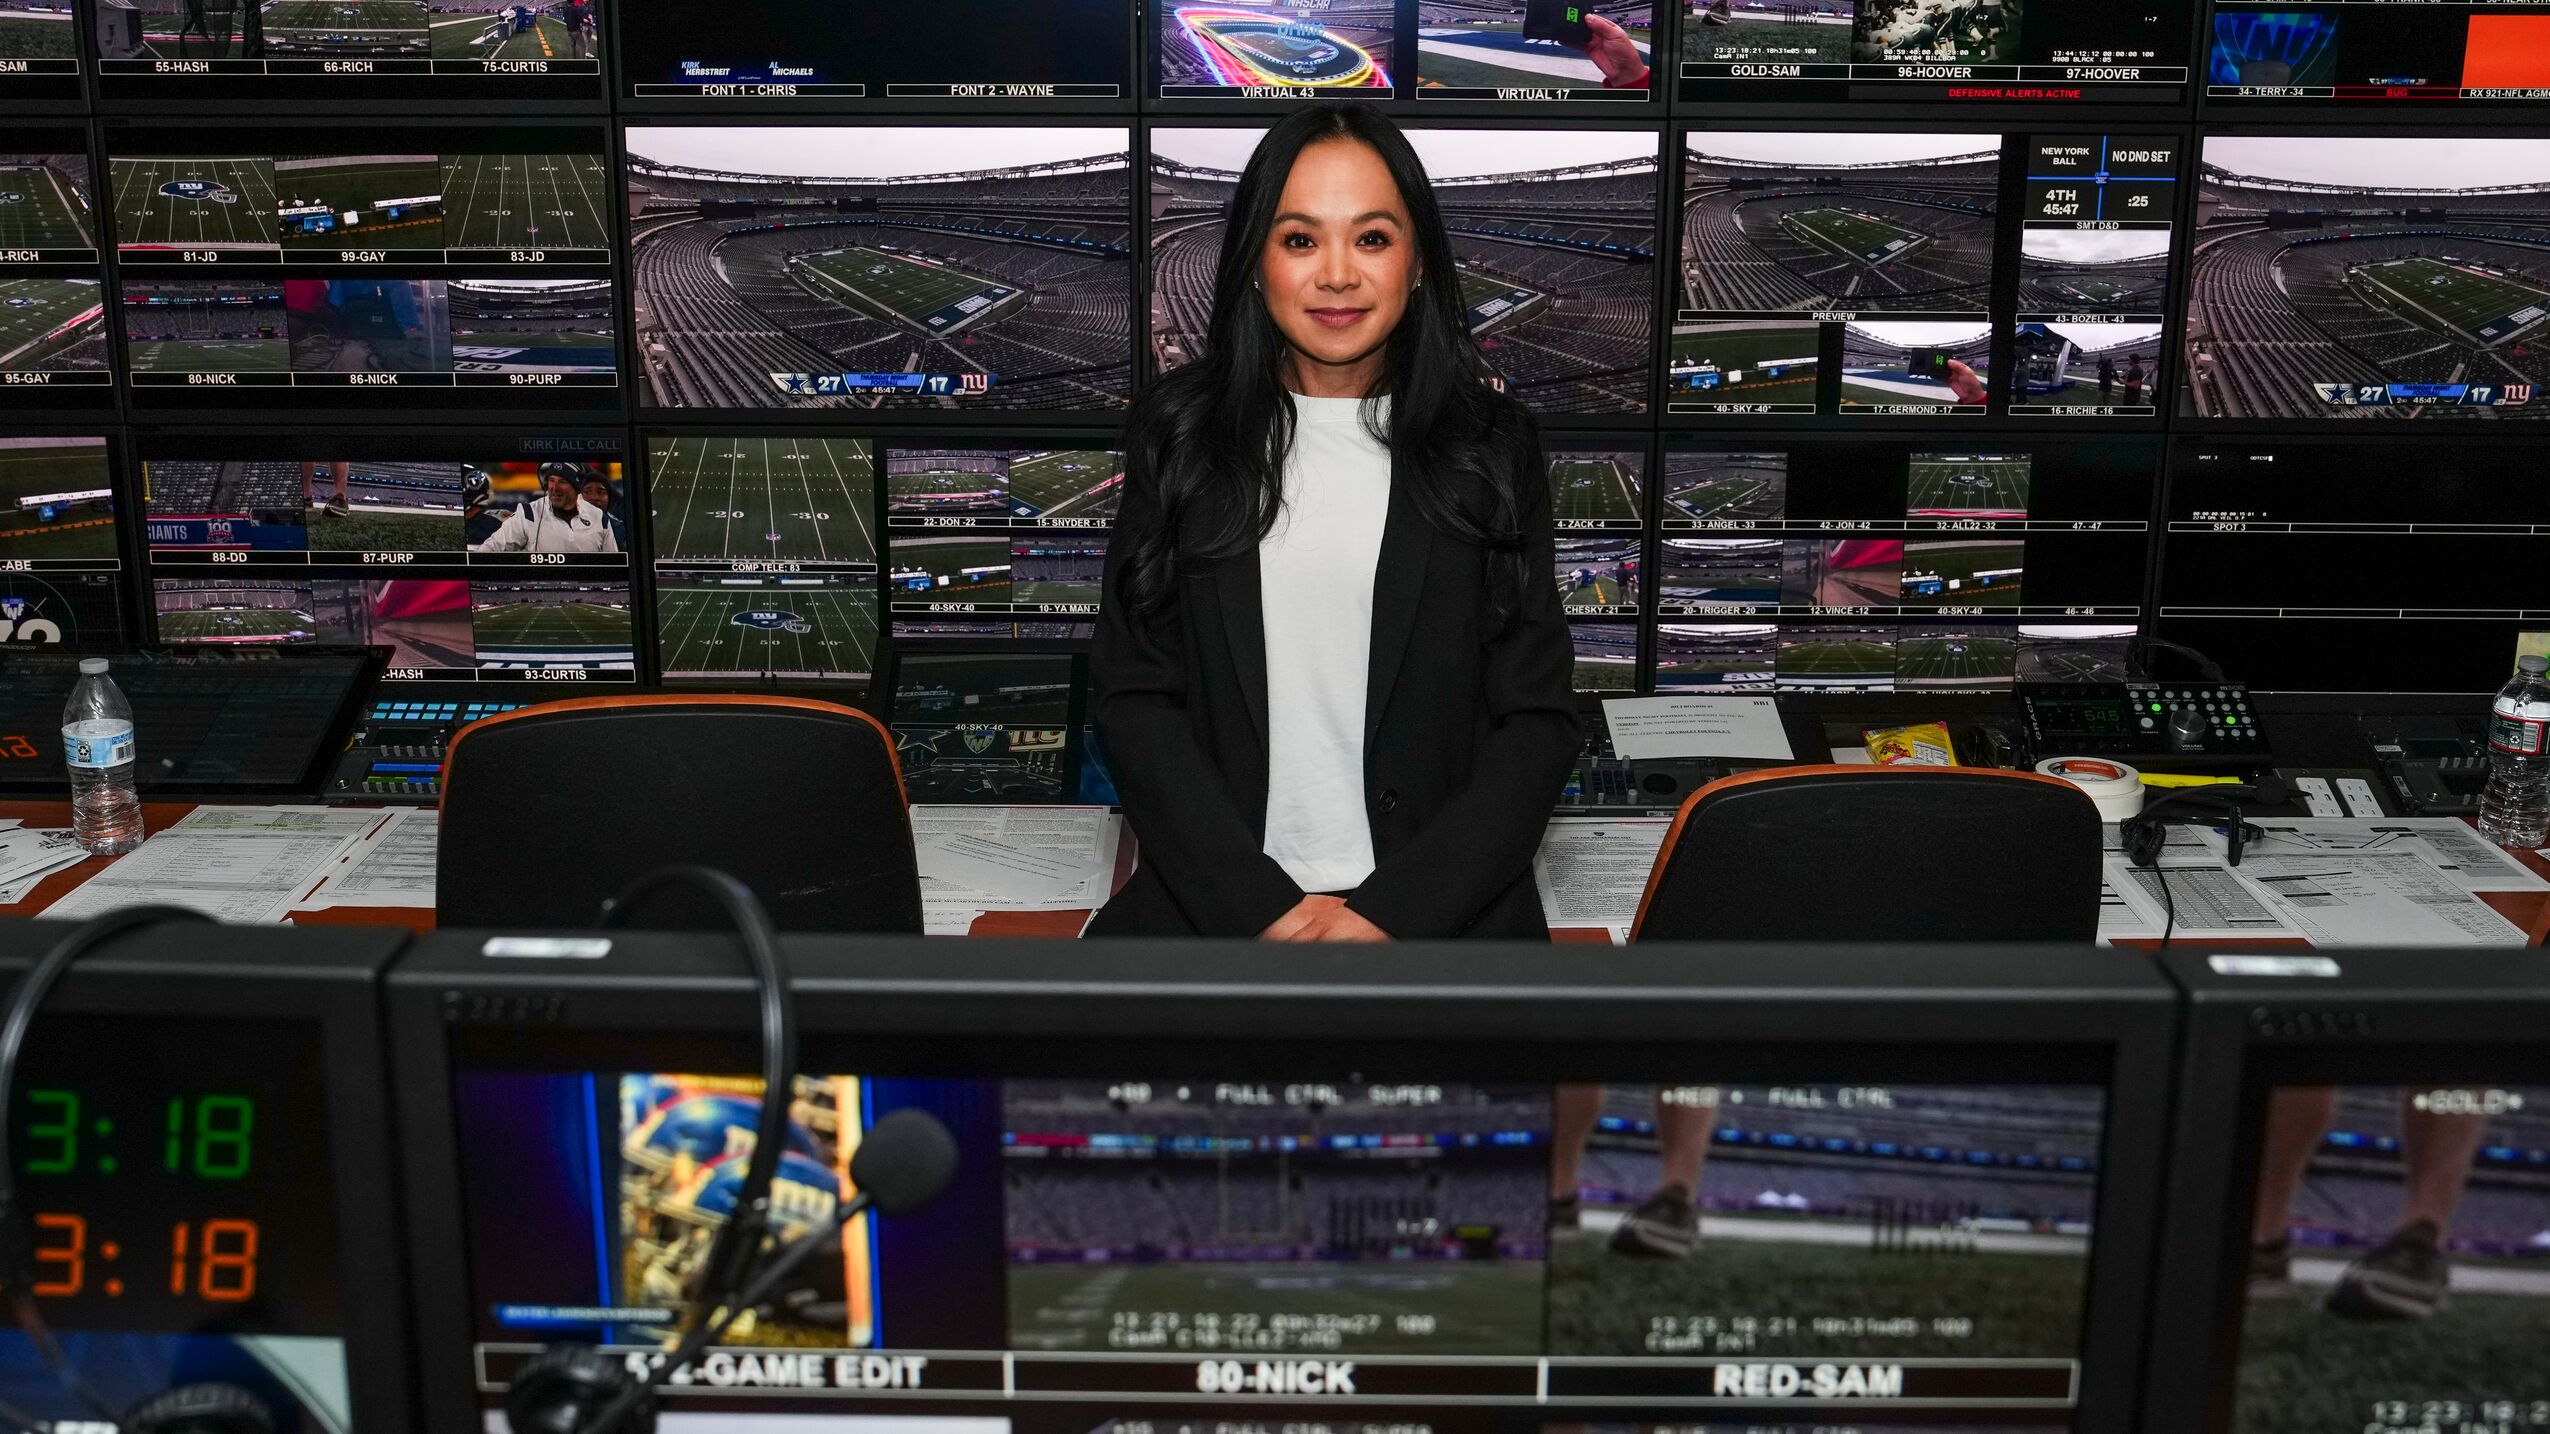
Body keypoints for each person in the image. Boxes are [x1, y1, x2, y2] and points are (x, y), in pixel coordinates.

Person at [1088, 104, 1579, 942]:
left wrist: (1395, 914)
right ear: (1253, 263)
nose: (1339, 276)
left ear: (1419, 262)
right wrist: (1261, 909)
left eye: (1374, 238)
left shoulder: (1493, 445)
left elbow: (1535, 718)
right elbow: (1134, 698)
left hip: (1438, 919)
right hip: (1219, 914)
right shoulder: (1178, 433)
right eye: (1300, 239)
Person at [469, 464, 619, 555]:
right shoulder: (528, 513)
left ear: (575, 487)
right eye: (551, 481)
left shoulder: (599, 517)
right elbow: (492, 548)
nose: (554, 488)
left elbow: (616, 564)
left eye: (562, 482)